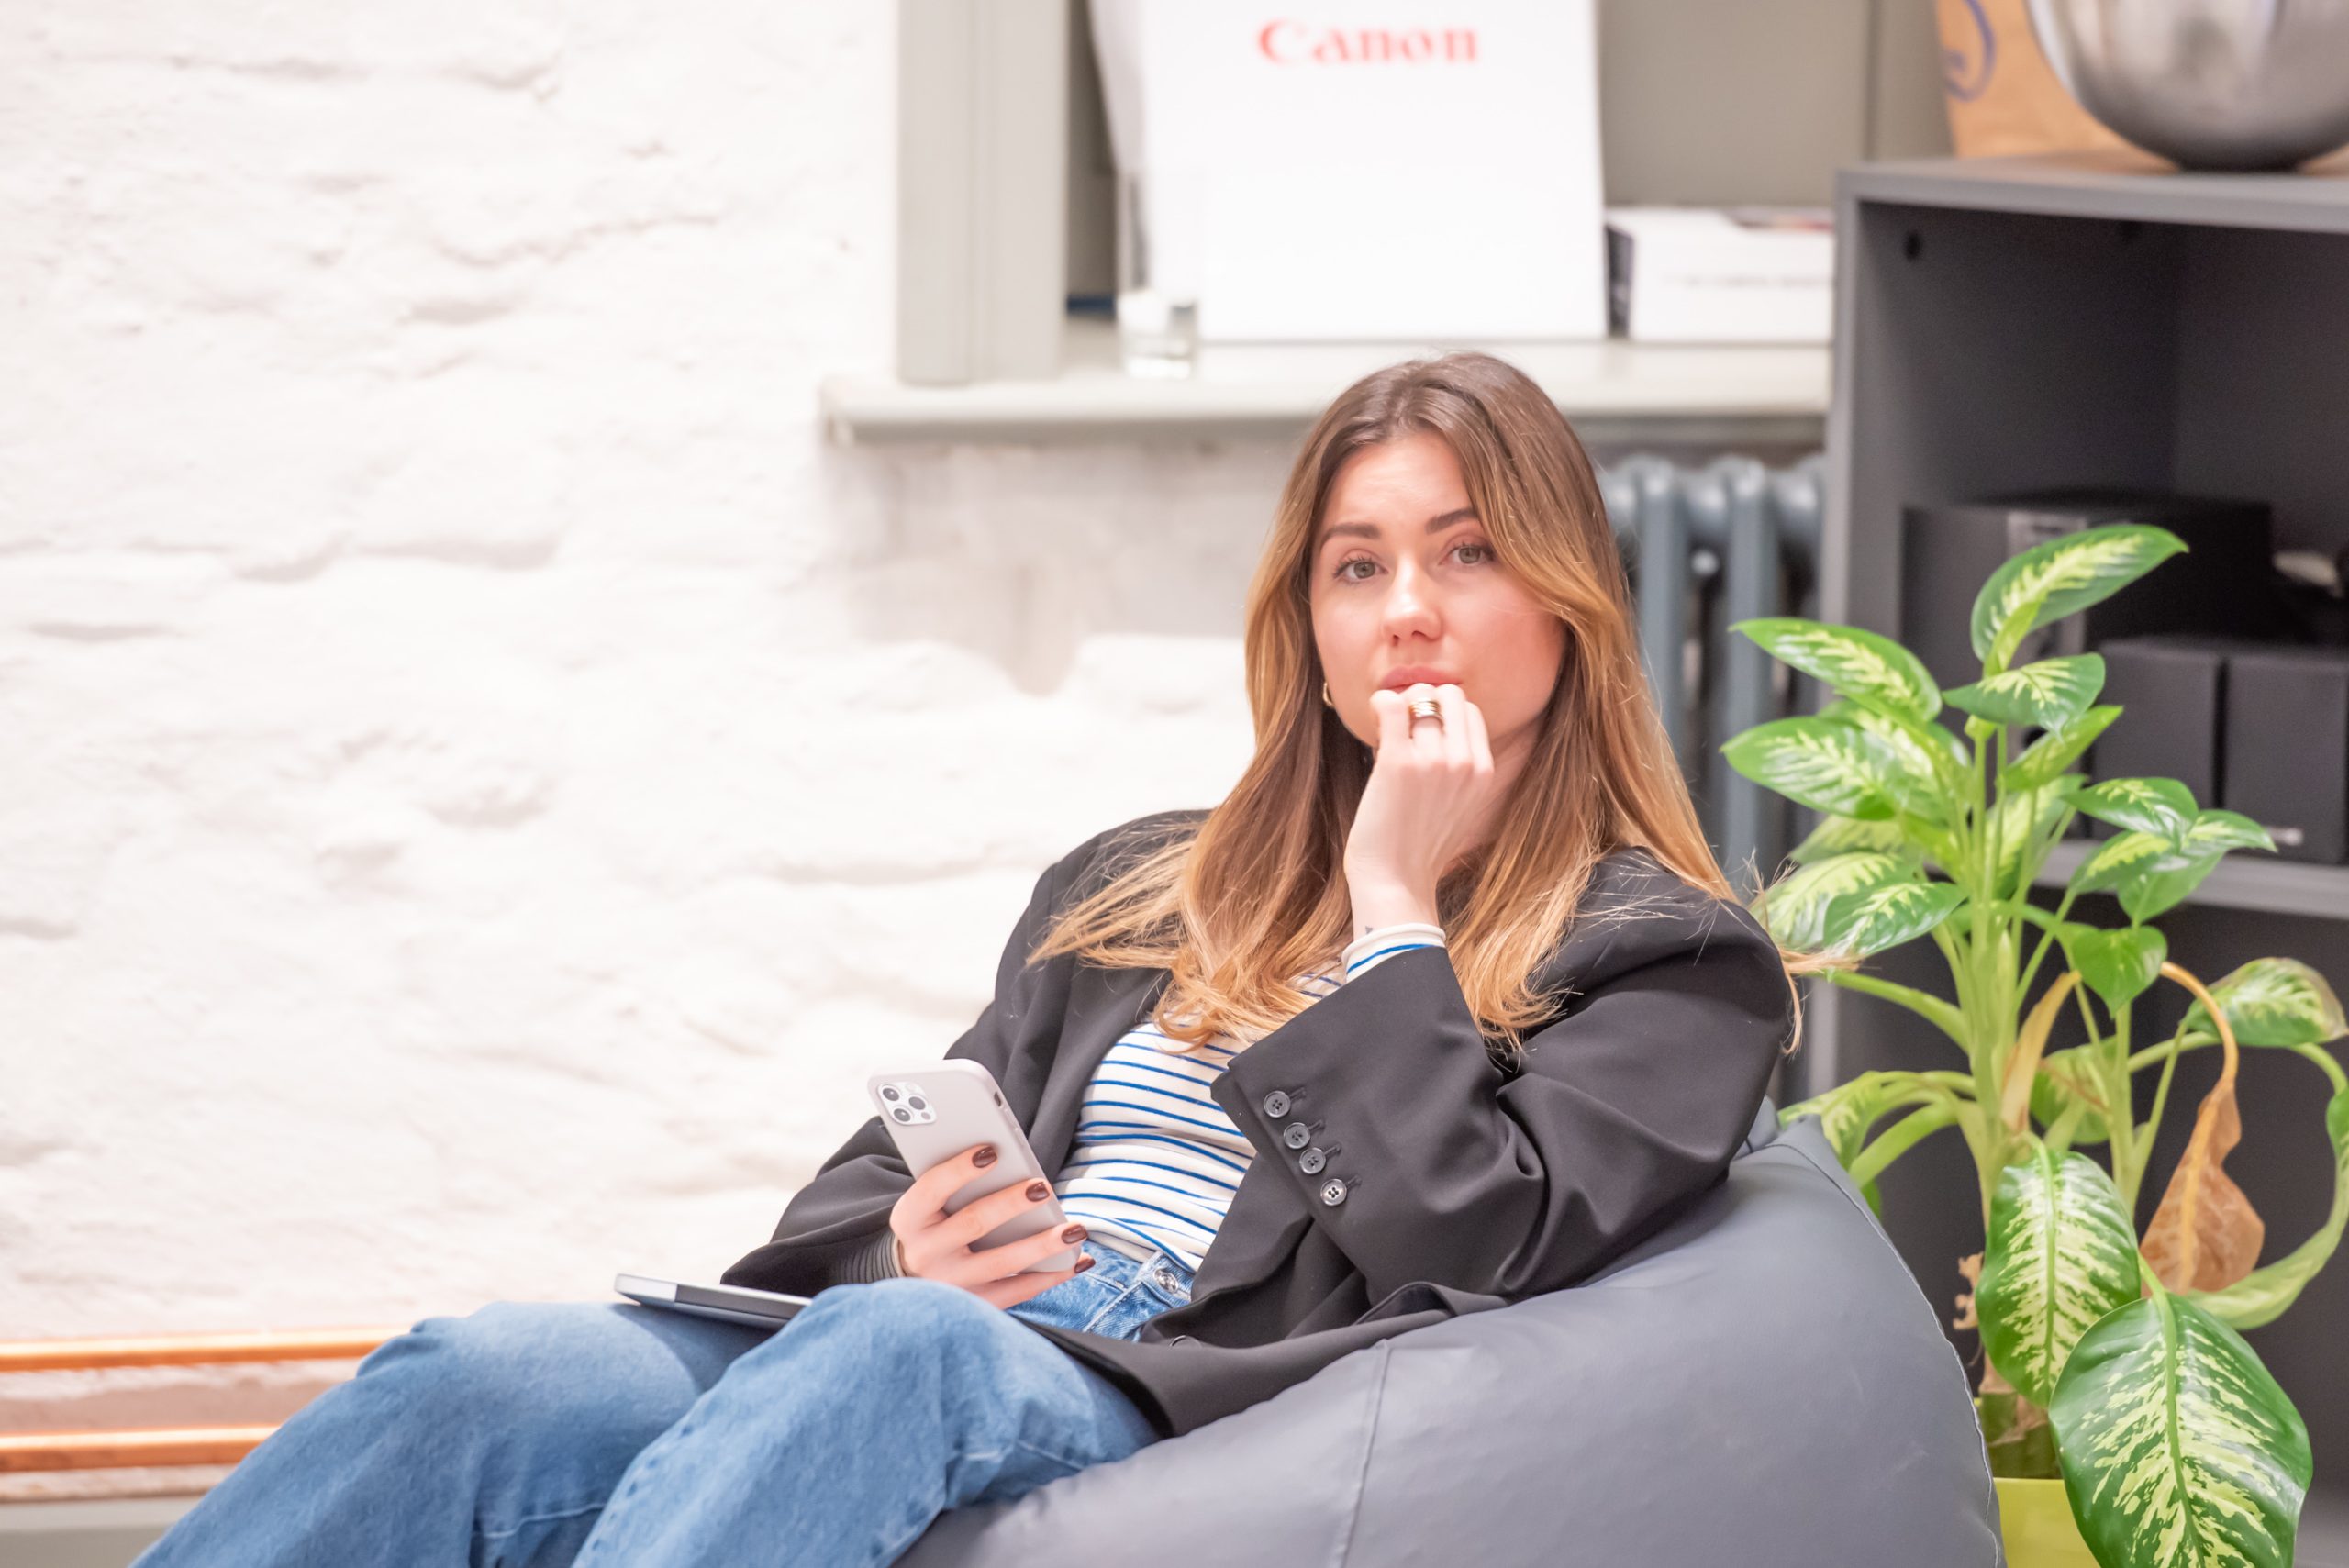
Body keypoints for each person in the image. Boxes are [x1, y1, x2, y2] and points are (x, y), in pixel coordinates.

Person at [133, 351, 1806, 1568]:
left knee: (897, 1352)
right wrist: (906, 1248)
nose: (1405, 610)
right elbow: (858, 1188)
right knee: (487, 1367)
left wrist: (1396, 908)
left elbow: (1480, 1249)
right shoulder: (1148, 881)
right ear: (1308, 625)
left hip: (1169, 1380)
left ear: (1570, 597)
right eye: (1356, 566)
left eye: (1466, 551)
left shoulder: (1666, 957)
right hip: (940, 1328)